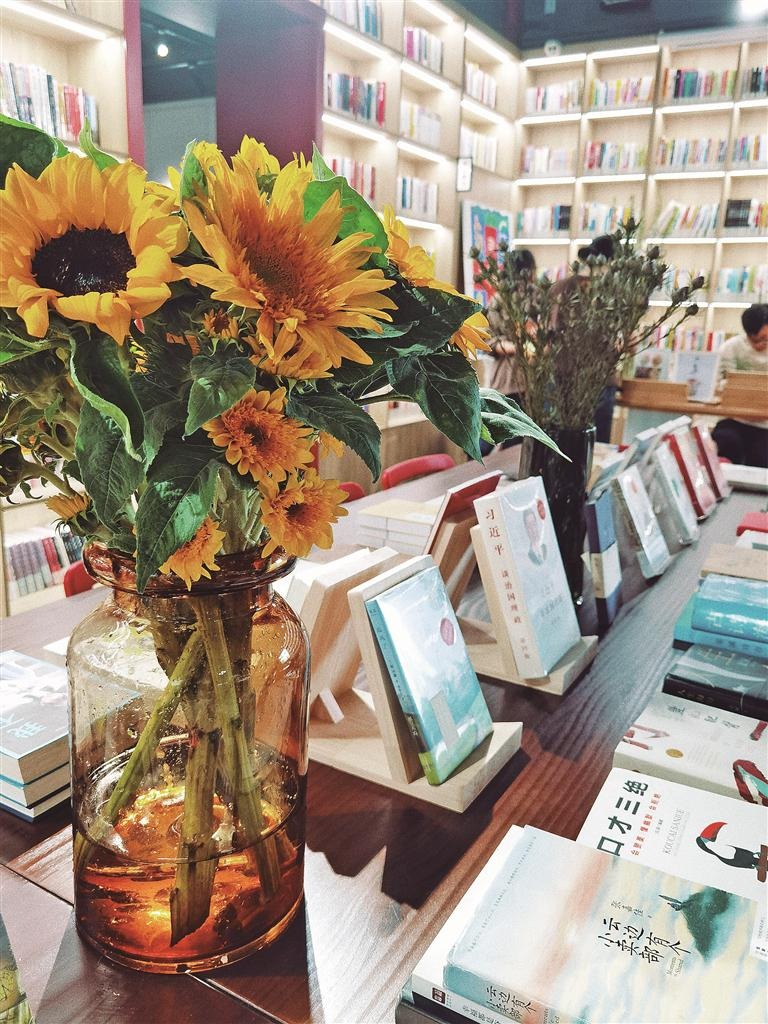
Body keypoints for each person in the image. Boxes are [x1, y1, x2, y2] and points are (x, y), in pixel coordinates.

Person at [481, 249, 536, 456]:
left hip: (520, 380)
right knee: (505, 436)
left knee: (511, 437)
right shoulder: (502, 299)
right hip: (510, 378)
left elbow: (487, 339)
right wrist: (517, 347)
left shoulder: (533, 297)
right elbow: (488, 340)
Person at [711, 304, 768, 468]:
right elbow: (718, 383)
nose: (761, 344)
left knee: (761, 458)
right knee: (726, 441)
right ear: (747, 333)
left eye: (766, 339)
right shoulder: (731, 348)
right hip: (733, 418)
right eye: (756, 339)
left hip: (765, 422)